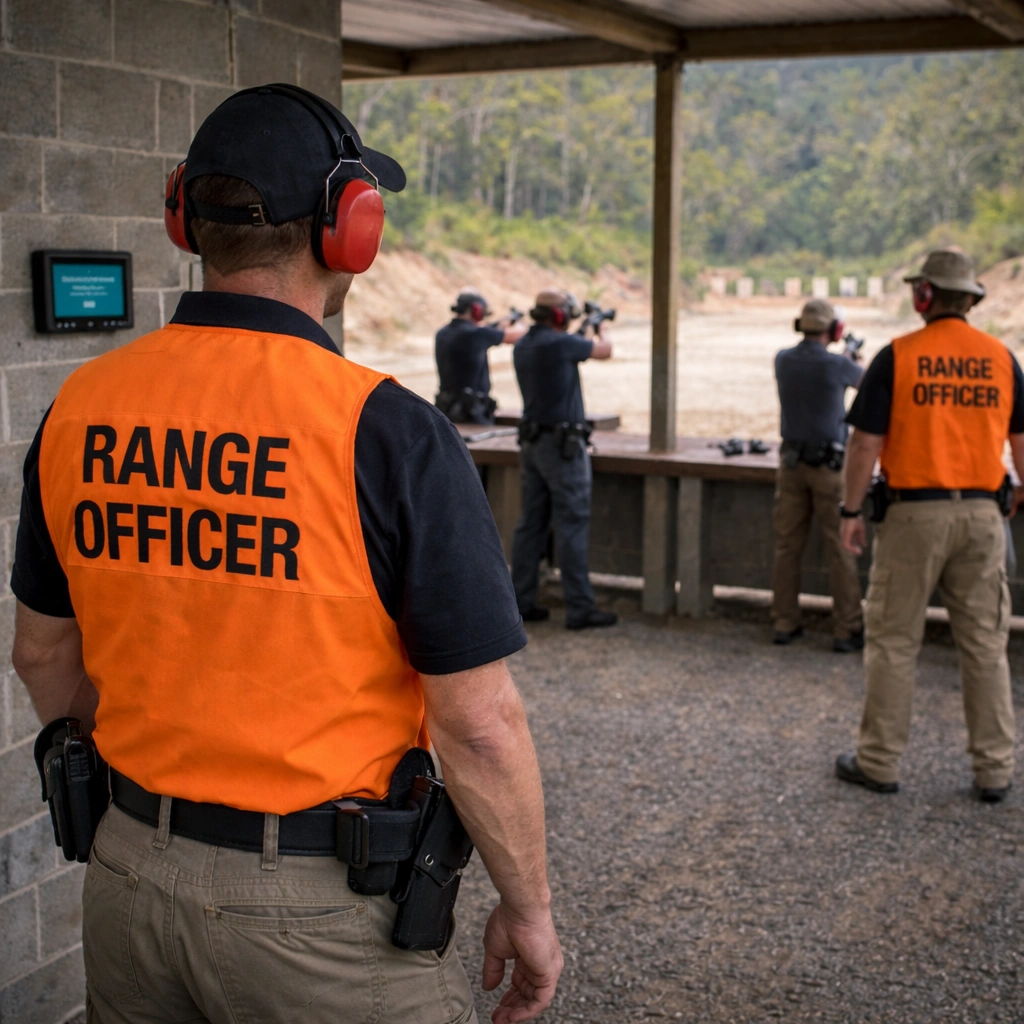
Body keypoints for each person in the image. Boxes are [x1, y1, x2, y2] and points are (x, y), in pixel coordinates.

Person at [11, 84, 562, 1024]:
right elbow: (478, 728)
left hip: (128, 873)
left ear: (186, 219)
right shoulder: (387, 431)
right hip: (322, 922)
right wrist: (530, 909)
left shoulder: (79, 408)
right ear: (352, 228)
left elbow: (42, 654)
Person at [836, 247, 1024, 803]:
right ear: (970, 299)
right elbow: (1021, 444)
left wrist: (850, 511)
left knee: (894, 640)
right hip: (984, 515)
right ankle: (994, 769)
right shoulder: (1002, 359)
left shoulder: (898, 357)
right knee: (986, 643)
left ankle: (879, 762)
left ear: (924, 297)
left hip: (913, 515)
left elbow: (865, 443)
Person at [510, 289, 617, 630]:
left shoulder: (526, 343)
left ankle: (521, 601)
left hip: (532, 444)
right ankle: (580, 608)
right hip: (562, 448)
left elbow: (569, 346)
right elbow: (605, 350)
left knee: (531, 525)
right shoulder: (560, 345)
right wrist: (600, 327)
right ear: (559, 316)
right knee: (571, 524)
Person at [772, 298, 865, 651]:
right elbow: (866, 383)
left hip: (791, 465)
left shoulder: (782, 359)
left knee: (787, 547)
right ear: (834, 330)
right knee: (841, 548)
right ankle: (847, 628)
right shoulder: (838, 365)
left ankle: (784, 621)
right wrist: (853, 358)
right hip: (829, 469)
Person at [435, 289, 526, 424]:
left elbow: (484, 331)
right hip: (471, 413)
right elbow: (517, 335)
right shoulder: (475, 334)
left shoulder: (443, 332)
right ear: (476, 310)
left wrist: (497, 326)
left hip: (445, 408)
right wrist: (517, 324)